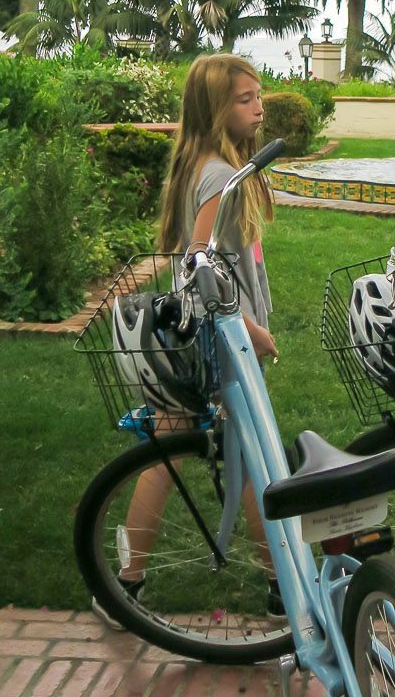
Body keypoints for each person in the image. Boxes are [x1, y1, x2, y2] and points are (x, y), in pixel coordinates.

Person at [104, 53, 280, 615]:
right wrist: (249, 329)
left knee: (180, 454)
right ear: (215, 109)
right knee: (245, 456)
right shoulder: (219, 175)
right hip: (218, 338)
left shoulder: (204, 165)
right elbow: (195, 263)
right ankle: (281, 586)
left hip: (199, 335)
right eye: (245, 99)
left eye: (259, 95)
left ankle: (125, 585)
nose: (259, 107)